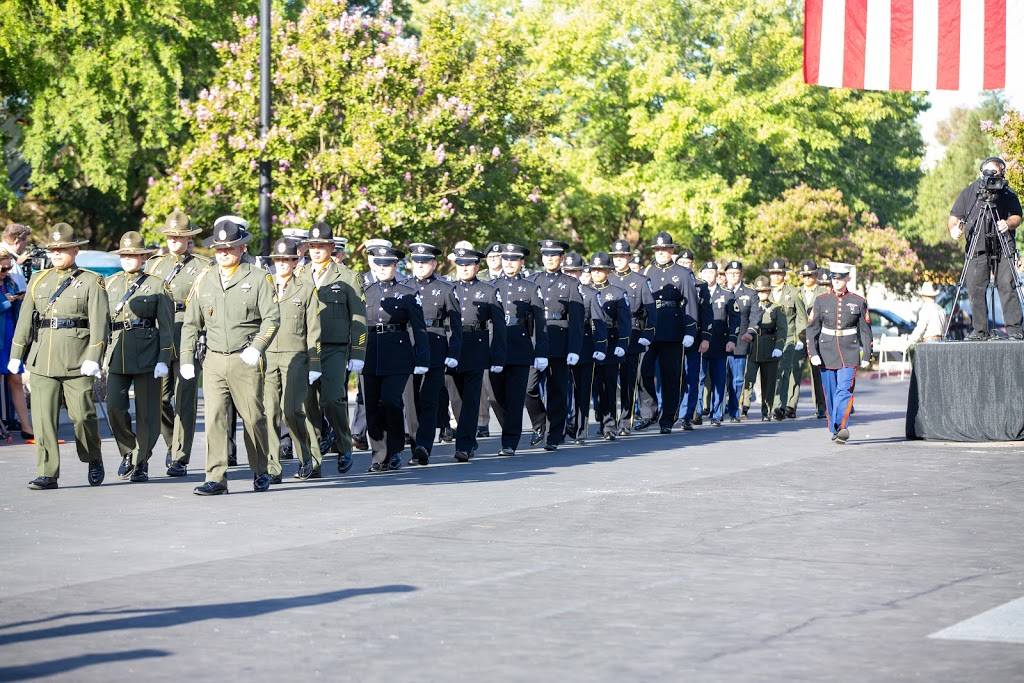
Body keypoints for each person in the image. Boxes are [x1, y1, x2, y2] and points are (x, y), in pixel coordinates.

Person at [180, 217, 280, 495]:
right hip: (213, 360)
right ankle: (216, 477)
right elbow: (191, 322)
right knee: (214, 419)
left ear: (241, 249)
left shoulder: (258, 278)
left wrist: (257, 347)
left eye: (230, 248)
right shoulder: (205, 279)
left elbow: (272, 319)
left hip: (244, 358)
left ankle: (261, 469)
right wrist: (187, 358)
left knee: (253, 418)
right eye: (219, 249)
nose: (224, 253)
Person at [9, 223, 109, 490]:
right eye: (53, 249)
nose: (56, 253)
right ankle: (47, 472)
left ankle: (93, 455)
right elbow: (25, 321)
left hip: (77, 359)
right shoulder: (38, 280)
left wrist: (94, 356)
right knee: (43, 420)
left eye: (62, 249)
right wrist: (17, 353)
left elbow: (100, 323)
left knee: (83, 418)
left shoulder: (91, 281)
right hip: (42, 359)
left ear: (75, 250)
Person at [145, 210, 211, 477]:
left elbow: (207, 304)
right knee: (159, 399)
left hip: (188, 332)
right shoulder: (153, 265)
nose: (175, 240)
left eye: (180, 236)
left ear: (189, 239)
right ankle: (173, 443)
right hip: (161, 335)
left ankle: (180, 456)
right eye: (171, 236)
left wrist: (204, 335)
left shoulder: (202, 268)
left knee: (185, 400)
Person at [104, 232, 174, 483]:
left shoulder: (157, 285)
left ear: (143, 257)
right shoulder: (110, 284)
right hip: (117, 351)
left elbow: (166, 326)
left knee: (147, 413)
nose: (128, 259)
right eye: (124, 255)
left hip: (147, 352)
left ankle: (142, 460)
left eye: (133, 255)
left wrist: (164, 360)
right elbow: (102, 322)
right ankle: (127, 450)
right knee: (114, 405)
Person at [302, 222, 367, 473]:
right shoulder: (300, 275)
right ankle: (315, 455)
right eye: (313, 246)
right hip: (307, 348)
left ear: (331, 247)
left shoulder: (347, 277)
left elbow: (359, 318)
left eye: (321, 246)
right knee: (307, 402)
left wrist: (358, 353)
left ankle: (343, 445)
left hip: (334, 348)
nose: (316, 250)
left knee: (332, 398)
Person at [362, 246, 430, 472]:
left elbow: (419, 329)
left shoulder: (408, 292)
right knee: (372, 406)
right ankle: (378, 454)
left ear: (395, 266)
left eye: (387, 264)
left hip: (398, 354)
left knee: (391, 400)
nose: (382, 269)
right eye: (379, 264)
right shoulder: (366, 290)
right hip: (370, 353)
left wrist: (422, 359)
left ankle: (395, 450)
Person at [265, 238, 323, 482]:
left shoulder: (306, 288)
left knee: (291, 411)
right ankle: (272, 467)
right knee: (268, 413)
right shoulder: (264, 286)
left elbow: (314, 329)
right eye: (278, 260)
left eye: (286, 260)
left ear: (295, 261)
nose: (281, 264)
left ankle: (306, 456)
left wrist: (315, 362)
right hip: (268, 356)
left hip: (296, 356)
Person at [948, 156, 1023, 340]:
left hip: (1003, 247)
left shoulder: (1007, 193)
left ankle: (1015, 331)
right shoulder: (970, 192)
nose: (991, 177)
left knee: (1007, 285)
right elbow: (954, 216)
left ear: (1002, 173)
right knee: (975, 288)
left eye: (995, 173)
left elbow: (1017, 217)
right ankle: (980, 332)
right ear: (981, 173)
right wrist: (953, 230)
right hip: (976, 248)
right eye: (987, 172)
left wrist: (1008, 223)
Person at [404, 242, 462, 465]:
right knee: (411, 403)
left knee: (429, 400)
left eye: (425, 262)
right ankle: (413, 443)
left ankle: (423, 446)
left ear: (434, 263)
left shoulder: (446, 288)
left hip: (435, 347)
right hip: (408, 347)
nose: (420, 265)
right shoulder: (404, 287)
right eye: (416, 261)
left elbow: (455, 324)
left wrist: (454, 351)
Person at [447, 246, 506, 461]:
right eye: (460, 264)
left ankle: (463, 445)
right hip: (452, 347)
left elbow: (499, 327)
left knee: (471, 400)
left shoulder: (488, 291)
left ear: (476, 266)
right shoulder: (448, 288)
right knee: (456, 400)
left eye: (468, 264)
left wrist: (498, 355)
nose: (463, 268)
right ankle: (468, 439)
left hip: (475, 346)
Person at [487, 243, 547, 456]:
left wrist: (540, 352)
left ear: (521, 262)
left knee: (515, 396)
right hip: (495, 347)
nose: (509, 263)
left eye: (514, 259)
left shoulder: (531, 288)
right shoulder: (492, 285)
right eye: (506, 259)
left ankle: (509, 441)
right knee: (494, 397)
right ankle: (509, 429)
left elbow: (540, 323)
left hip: (520, 347)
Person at [636, 231, 698, 434]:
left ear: (672, 251)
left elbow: (690, 303)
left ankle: (667, 419)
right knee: (644, 372)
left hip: (673, 329)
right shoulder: (648, 271)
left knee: (672, 377)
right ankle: (649, 412)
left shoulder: (682, 273)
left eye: (665, 249)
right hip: (651, 329)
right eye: (658, 249)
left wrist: (690, 330)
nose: (661, 252)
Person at [525, 239, 583, 450]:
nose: (550, 258)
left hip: (560, 340)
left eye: (554, 255)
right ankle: (539, 423)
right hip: (536, 341)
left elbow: (576, 320)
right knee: (529, 388)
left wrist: (574, 348)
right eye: (546, 255)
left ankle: (554, 434)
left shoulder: (570, 283)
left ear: (561, 258)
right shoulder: (532, 280)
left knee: (557, 390)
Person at [806, 263, 872, 444]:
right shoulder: (821, 301)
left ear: (847, 279)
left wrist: (866, 354)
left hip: (849, 352)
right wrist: (812, 353)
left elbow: (865, 330)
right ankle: (835, 427)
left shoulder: (858, 301)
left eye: (840, 278)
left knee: (844, 390)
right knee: (830, 393)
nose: (836, 282)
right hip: (826, 352)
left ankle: (842, 427)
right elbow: (811, 330)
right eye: (834, 278)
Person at [608, 239, 654, 435]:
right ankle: (608, 421)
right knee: (609, 380)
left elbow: (651, 311)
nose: (619, 259)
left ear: (628, 257)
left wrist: (647, 334)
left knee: (628, 380)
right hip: (610, 333)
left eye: (622, 256)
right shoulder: (606, 279)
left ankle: (626, 420)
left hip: (633, 332)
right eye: (616, 257)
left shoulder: (641, 281)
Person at [562, 253, 608, 444]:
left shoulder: (589, 294)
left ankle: (581, 431)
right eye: (569, 271)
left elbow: (599, 322)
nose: (572, 275)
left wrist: (600, 346)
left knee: (583, 391)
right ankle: (563, 428)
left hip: (585, 346)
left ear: (582, 273)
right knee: (562, 390)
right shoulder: (559, 291)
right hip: (562, 346)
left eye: (575, 272)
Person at [588, 252, 630, 440]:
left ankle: (609, 426)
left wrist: (622, 342)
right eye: (594, 269)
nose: (596, 273)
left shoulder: (617, 293)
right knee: (593, 386)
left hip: (610, 343)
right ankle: (599, 417)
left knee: (608, 386)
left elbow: (624, 321)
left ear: (607, 271)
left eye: (600, 269)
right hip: (588, 342)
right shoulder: (584, 291)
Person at [696, 261, 738, 427]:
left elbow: (735, 319)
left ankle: (716, 413)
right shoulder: (696, 292)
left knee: (719, 380)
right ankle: (697, 412)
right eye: (705, 273)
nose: (708, 276)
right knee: (698, 379)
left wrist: (732, 340)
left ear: (717, 275)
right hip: (700, 343)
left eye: (712, 273)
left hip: (720, 343)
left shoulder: (727, 294)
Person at [767, 258, 806, 420]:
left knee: (783, 372)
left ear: (784, 274)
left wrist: (801, 338)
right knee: (770, 373)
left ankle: (779, 406)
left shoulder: (793, 293)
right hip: (767, 339)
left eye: (779, 273)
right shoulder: (763, 292)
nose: (776, 277)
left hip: (788, 338)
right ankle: (768, 405)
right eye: (773, 273)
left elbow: (801, 318)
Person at [742, 276, 786, 422]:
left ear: (769, 291)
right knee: (748, 378)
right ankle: (744, 408)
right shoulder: (750, 306)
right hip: (752, 347)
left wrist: (779, 347)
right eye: (759, 291)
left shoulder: (776, 308)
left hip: (769, 347)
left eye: (765, 291)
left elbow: (782, 330)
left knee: (769, 382)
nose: (762, 294)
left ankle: (766, 411)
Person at [0, 249, 32, 441]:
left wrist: (20, 300)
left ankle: (26, 426)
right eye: (2, 267)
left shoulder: (11, 282)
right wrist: (6, 302)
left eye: (8, 266)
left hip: (12, 337)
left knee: (16, 381)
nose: (5, 270)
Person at [723, 260, 760, 422]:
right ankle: (716, 410)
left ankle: (733, 410)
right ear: (725, 274)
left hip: (740, 341)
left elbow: (755, 316)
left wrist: (751, 332)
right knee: (720, 377)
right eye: (730, 273)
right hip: (720, 341)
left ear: (741, 275)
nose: (733, 276)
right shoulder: (719, 291)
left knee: (737, 379)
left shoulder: (750, 293)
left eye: (736, 273)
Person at [676, 248, 708, 429]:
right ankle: (670, 411)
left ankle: (686, 415)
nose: (686, 265)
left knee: (692, 377)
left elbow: (706, 313)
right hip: (674, 337)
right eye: (682, 262)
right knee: (673, 377)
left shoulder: (700, 285)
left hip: (694, 338)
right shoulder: (671, 280)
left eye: (689, 263)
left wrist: (705, 337)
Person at [795, 259, 827, 419]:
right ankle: (790, 407)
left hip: (817, 337)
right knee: (795, 370)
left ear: (816, 274)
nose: (807, 278)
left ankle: (821, 407)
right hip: (800, 336)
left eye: (810, 275)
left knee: (817, 374)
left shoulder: (823, 292)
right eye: (805, 275)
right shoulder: (796, 292)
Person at [2, 222, 31, 291]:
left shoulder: (9, 258)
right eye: (25, 242)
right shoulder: (8, 261)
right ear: (17, 241)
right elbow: (20, 293)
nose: (25, 246)